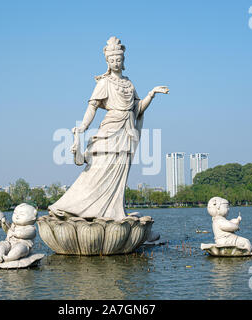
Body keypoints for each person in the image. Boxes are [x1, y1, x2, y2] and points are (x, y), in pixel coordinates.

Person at [49, 36, 168, 221]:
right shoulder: (105, 83)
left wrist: (151, 94)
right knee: (99, 169)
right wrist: (83, 126)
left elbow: (137, 110)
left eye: (119, 60)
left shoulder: (129, 84)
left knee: (119, 172)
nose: (116, 63)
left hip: (127, 131)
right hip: (111, 128)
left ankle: (112, 210)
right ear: (107, 61)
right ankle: (73, 205)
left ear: (123, 61)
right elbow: (92, 107)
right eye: (112, 60)